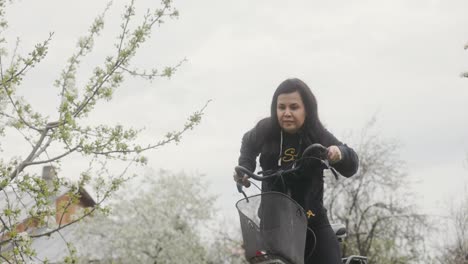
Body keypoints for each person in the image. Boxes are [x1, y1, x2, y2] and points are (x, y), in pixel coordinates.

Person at [234, 78, 359, 264]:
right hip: (273, 227)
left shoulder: (317, 134)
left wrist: (339, 154)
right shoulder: (266, 129)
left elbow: (352, 164)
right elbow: (248, 143)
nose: (286, 113)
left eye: (294, 107)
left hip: (312, 223)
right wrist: (245, 168)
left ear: (306, 109)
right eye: (281, 107)